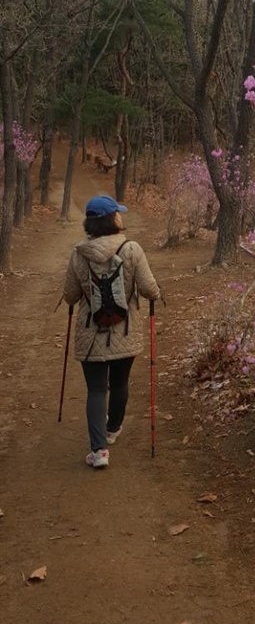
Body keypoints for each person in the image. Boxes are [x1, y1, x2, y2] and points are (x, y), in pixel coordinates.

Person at [63, 194, 161, 469]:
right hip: (125, 331)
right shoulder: (131, 249)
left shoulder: (78, 253)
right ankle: (112, 428)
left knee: (96, 390)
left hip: (90, 334)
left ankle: (99, 451)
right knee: (119, 384)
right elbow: (148, 289)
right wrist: (156, 294)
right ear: (112, 219)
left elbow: (70, 295)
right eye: (118, 213)